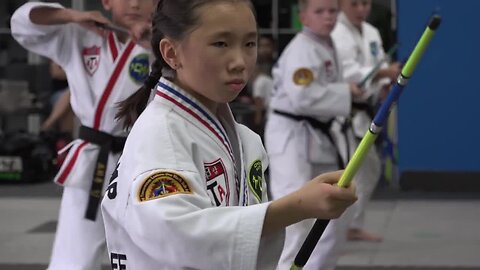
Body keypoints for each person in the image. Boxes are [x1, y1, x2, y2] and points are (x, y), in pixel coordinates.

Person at [101, 1, 357, 269]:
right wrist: (298, 206)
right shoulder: (160, 134)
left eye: (249, 44)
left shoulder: (244, 139)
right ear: (171, 52)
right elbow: (180, 235)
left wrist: (300, 204)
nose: (239, 62)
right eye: (221, 44)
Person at [11, 0, 155, 268]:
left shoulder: (170, 45)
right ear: (107, 2)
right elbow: (22, 23)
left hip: (145, 160)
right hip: (92, 161)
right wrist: (72, 15)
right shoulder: (79, 34)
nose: (134, 3)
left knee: (147, 255)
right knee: (72, 257)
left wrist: (153, 44)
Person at [264, 0, 364, 269]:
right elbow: (303, 97)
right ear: (304, 16)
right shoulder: (301, 50)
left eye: (332, 11)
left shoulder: (326, 45)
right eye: (320, 12)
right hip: (292, 138)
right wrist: (347, 93)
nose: (328, 17)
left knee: (335, 209)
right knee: (296, 220)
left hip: (319, 135)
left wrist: (349, 92)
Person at [331, 0, 401, 242]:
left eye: (365, 4)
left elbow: (379, 62)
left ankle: (350, 226)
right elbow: (348, 72)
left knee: (368, 170)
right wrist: (384, 73)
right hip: (338, 115)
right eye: (354, 4)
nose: (361, 9)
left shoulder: (371, 32)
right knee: (346, 173)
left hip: (362, 112)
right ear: (341, 5)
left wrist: (384, 86)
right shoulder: (335, 31)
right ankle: (337, 228)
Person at [251, 35, 275, 136]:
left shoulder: (278, 66)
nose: (264, 49)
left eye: (267, 46)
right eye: (261, 46)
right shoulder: (250, 66)